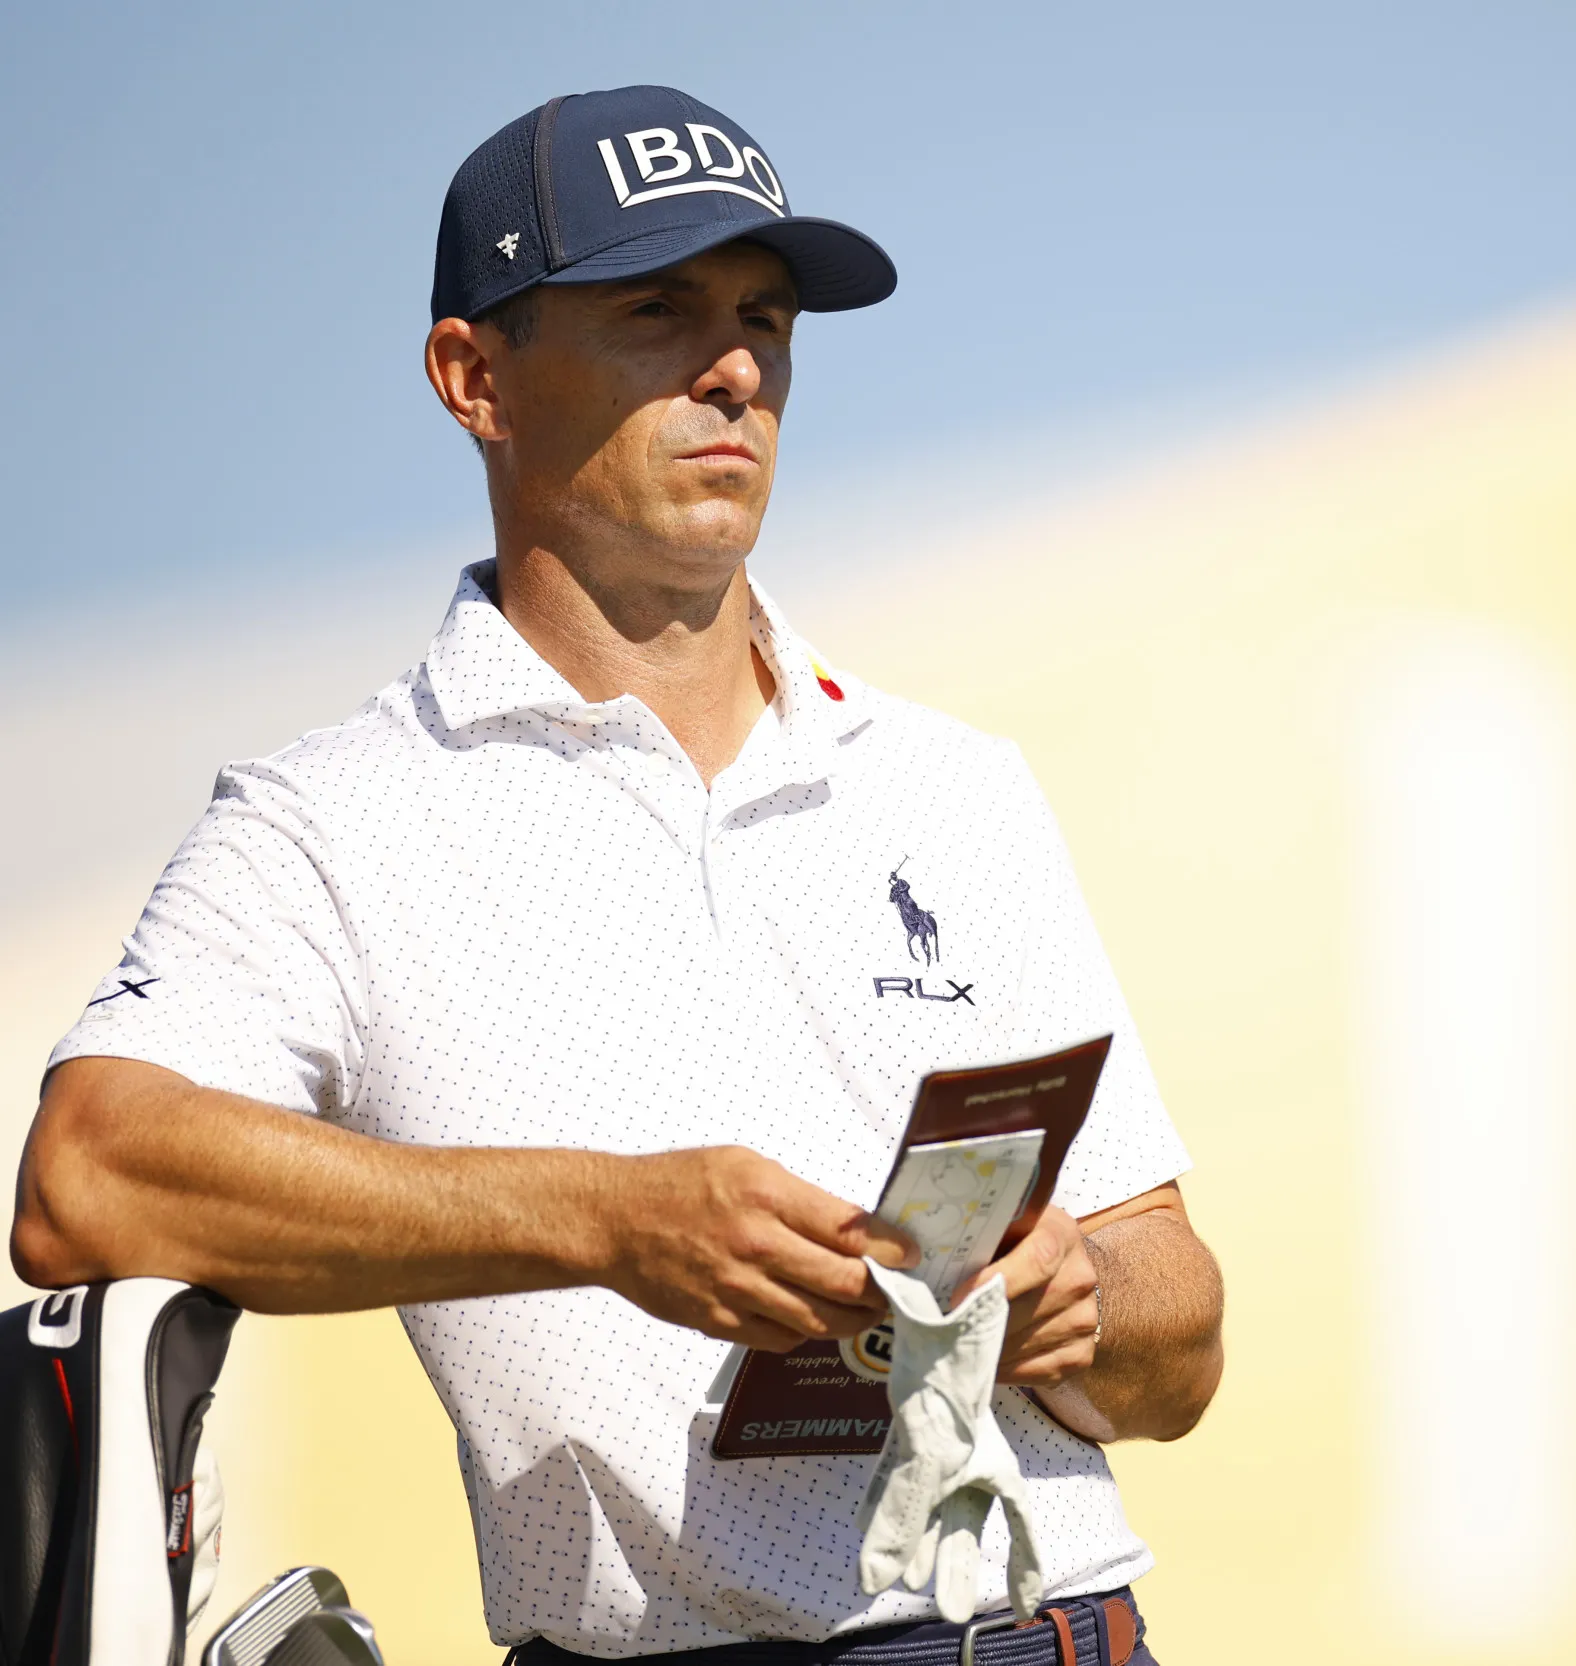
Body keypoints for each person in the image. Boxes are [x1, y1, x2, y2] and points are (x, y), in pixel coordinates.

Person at [10, 85, 1221, 1666]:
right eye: (661, 311)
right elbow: (86, 1176)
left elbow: (1181, 1339)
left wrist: (1084, 1300)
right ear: (474, 376)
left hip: (1058, 1630)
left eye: (766, 319)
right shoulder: (333, 819)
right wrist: (603, 1219)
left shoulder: (955, 784)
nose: (738, 369)